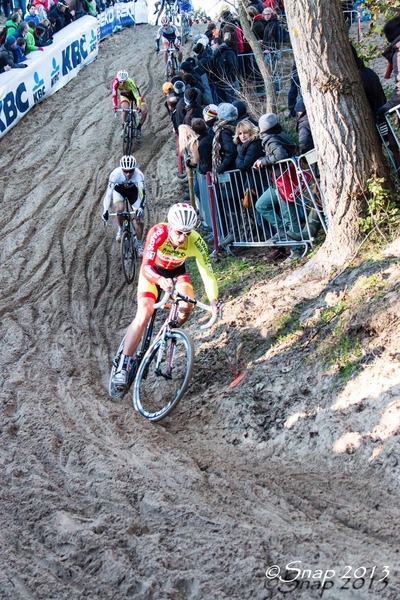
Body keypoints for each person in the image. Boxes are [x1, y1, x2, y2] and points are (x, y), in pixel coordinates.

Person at [112, 203, 219, 387]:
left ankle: (167, 333)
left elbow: (207, 274)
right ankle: (123, 364)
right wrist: (160, 280)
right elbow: (146, 267)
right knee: (144, 313)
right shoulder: (157, 232)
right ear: (170, 227)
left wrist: (214, 301)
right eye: (179, 232)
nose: (183, 238)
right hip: (154, 272)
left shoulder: (196, 240)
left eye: (187, 233)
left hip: (178, 273)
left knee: (186, 306)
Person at [253, 113, 302, 261]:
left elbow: (280, 155)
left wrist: (263, 161)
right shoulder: (278, 135)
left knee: (290, 216)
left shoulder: (271, 139)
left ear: (263, 127)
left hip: (283, 181)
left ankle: (297, 250)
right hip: (277, 182)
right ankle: (282, 231)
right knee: (261, 205)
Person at [101, 155, 147, 255]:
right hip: (119, 191)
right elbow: (108, 194)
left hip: (132, 192)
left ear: (135, 169)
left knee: (140, 219)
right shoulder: (115, 174)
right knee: (120, 208)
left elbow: (143, 195)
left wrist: (141, 208)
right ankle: (121, 229)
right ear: (121, 169)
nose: (128, 174)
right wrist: (105, 210)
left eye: (131, 171)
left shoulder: (139, 175)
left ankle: (139, 244)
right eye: (125, 171)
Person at [111, 69, 148, 139]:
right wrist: (115, 106)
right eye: (120, 82)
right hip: (124, 95)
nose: (122, 84)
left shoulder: (130, 82)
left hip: (134, 95)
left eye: (124, 82)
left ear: (127, 80)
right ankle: (123, 128)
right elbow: (114, 95)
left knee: (144, 111)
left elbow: (137, 96)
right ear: (118, 79)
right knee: (125, 109)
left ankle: (138, 128)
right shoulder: (115, 82)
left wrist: (138, 106)